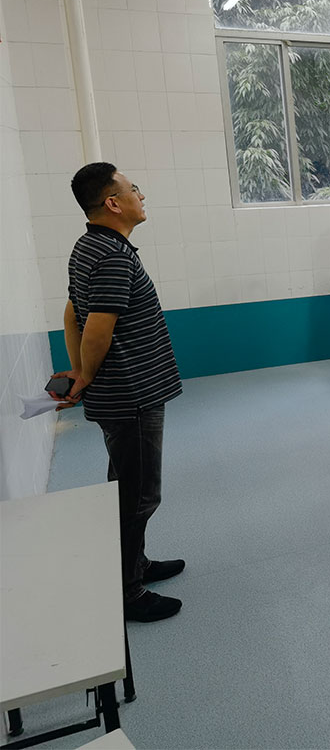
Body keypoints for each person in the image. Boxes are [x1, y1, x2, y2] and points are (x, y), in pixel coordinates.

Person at [54, 162, 185, 622]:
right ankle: (128, 591)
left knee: (125, 486)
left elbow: (71, 313)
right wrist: (85, 375)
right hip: (131, 396)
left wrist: (80, 371)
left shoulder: (89, 246)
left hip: (122, 394)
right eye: (134, 189)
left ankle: (136, 564)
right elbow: (96, 327)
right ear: (113, 202)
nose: (140, 196)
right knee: (138, 495)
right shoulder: (111, 255)